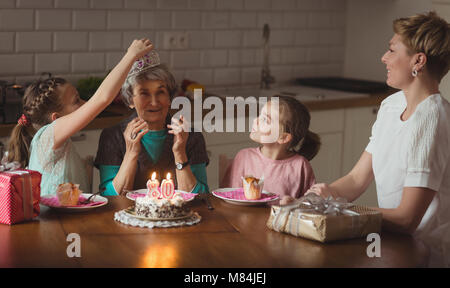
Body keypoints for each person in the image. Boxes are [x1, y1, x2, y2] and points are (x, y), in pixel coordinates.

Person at [307, 11, 450, 267]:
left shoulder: (432, 119)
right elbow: (356, 179)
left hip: (426, 255)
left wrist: (339, 210)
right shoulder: (392, 106)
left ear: (418, 61)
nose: (384, 58)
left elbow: (407, 219)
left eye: (392, 50)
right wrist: (320, 198)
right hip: (391, 244)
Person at [7, 39, 154, 196]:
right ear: (56, 119)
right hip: (51, 220)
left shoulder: (61, 143)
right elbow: (101, 99)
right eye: (76, 100)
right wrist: (131, 55)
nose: (85, 104)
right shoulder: (48, 135)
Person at [94, 61, 209, 196]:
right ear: (130, 100)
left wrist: (180, 153)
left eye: (160, 92)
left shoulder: (191, 136)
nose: (154, 102)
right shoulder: (113, 136)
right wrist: (131, 153)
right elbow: (109, 197)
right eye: (144, 93)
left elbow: (201, 196)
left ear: (170, 98)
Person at [221, 95, 320, 203]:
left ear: (283, 137)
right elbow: (228, 199)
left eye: (265, 120)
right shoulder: (244, 157)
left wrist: (294, 203)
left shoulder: (301, 166)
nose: (256, 120)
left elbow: (309, 206)